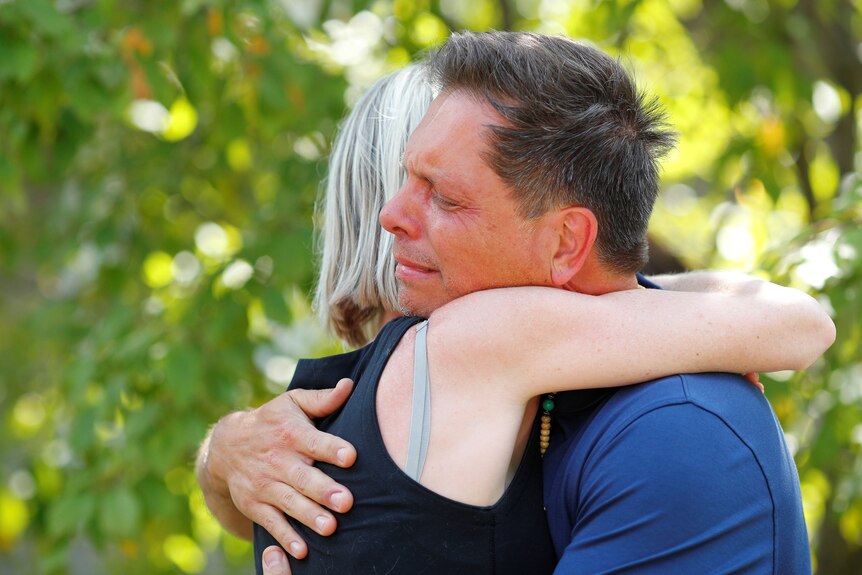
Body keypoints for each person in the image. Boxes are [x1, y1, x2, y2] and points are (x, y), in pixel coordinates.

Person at [197, 35, 834, 574]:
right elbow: (799, 324)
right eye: (404, 180)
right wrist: (223, 454)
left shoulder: (678, 433)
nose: (389, 218)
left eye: (443, 196)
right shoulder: (462, 367)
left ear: (565, 241)